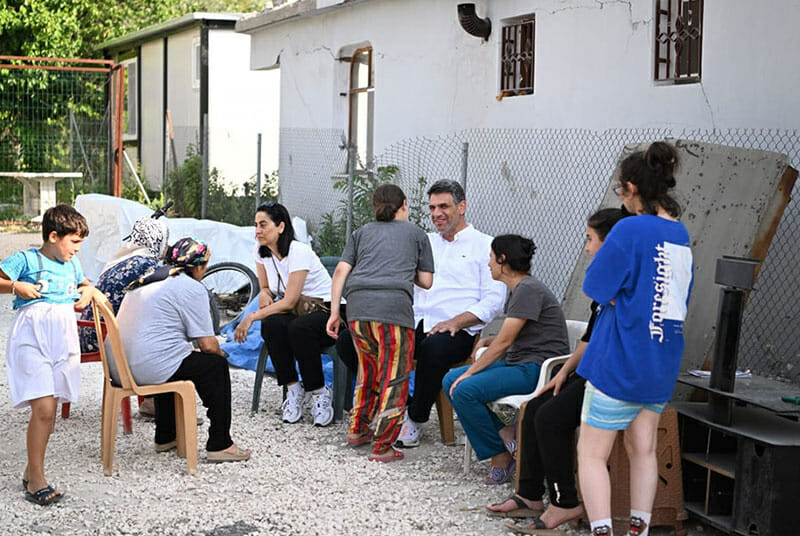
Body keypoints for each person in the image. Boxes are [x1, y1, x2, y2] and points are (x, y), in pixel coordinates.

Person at [576, 142, 693, 536]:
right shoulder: (680, 234)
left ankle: (603, 532)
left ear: (630, 189)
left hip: (618, 361)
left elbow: (595, 285)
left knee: (591, 454)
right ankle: (638, 531)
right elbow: (675, 299)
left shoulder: (628, 228)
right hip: (659, 362)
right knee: (643, 450)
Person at [490, 208, 628, 533]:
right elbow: (590, 338)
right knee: (534, 407)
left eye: (590, 240)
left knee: (550, 419)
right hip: (588, 369)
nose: (586, 247)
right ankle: (529, 495)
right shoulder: (607, 281)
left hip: (610, 376)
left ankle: (565, 503)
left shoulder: (621, 283)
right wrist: (564, 372)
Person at [443, 234, 569, 484]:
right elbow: (510, 334)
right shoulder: (519, 289)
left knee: (465, 388)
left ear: (502, 259)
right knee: (450, 380)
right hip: (519, 362)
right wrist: (488, 341)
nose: (488, 264)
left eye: (491, 258)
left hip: (536, 369)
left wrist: (471, 371)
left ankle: (500, 456)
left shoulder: (528, 289)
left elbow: (505, 342)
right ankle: (504, 432)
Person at [391, 179, 506, 447]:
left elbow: (494, 300)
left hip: (460, 330)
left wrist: (457, 320)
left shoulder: (485, 245)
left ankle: (415, 418)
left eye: (444, 206)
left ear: (462, 207)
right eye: (432, 207)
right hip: (416, 321)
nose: (436, 214)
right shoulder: (423, 241)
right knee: (356, 341)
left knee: (434, 348)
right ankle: (401, 406)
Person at [115, 237, 250, 463]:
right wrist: (221, 353)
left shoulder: (147, 280)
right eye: (205, 266)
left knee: (172, 358)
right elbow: (207, 345)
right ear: (198, 266)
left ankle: (166, 436)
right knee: (215, 366)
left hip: (119, 367)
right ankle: (221, 443)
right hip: (146, 368)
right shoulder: (191, 287)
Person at [326, 184, 434, 462]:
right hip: (394, 311)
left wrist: (335, 312)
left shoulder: (361, 233)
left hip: (359, 310)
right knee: (394, 376)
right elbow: (426, 281)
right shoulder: (417, 234)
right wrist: (401, 268)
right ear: (404, 205)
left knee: (368, 371)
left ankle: (358, 429)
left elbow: (340, 271)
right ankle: (383, 445)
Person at [0, 204, 99, 505]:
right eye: (75, 242)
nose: (78, 250)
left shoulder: (72, 266)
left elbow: (86, 285)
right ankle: (37, 482)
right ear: (54, 236)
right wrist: (16, 287)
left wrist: (89, 292)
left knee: (50, 415)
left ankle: (32, 470)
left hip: (63, 339)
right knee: (43, 410)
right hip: (32, 338)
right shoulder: (26, 259)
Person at [233, 202, 340, 426]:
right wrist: (263, 293)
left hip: (327, 310)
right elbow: (266, 287)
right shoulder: (260, 252)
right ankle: (293, 389)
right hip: (297, 311)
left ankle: (320, 392)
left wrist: (251, 316)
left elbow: (289, 299)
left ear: (280, 227)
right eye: (255, 225)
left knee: (298, 328)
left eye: (263, 225)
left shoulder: (298, 251)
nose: (257, 231)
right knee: (271, 325)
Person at [79, 216, 169, 417]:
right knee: (162, 339)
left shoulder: (121, 258)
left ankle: (152, 400)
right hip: (103, 336)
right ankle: (159, 404)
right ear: (156, 240)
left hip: (87, 329)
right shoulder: (146, 266)